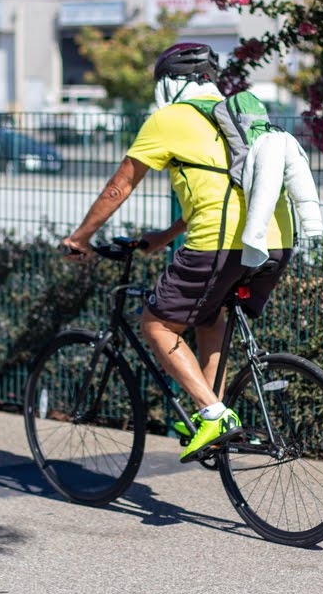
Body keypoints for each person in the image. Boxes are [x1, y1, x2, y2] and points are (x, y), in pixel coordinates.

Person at [62, 42, 294, 463]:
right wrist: (168, 235)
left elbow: (120, 187)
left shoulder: (168, 120)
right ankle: (218, 416)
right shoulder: (233, 117)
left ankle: (213, 415)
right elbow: (226, 186)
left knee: (157, 325)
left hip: (218, 242)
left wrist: (80, 237)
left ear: (171, 83)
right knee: (210, 317)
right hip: (276, 238)